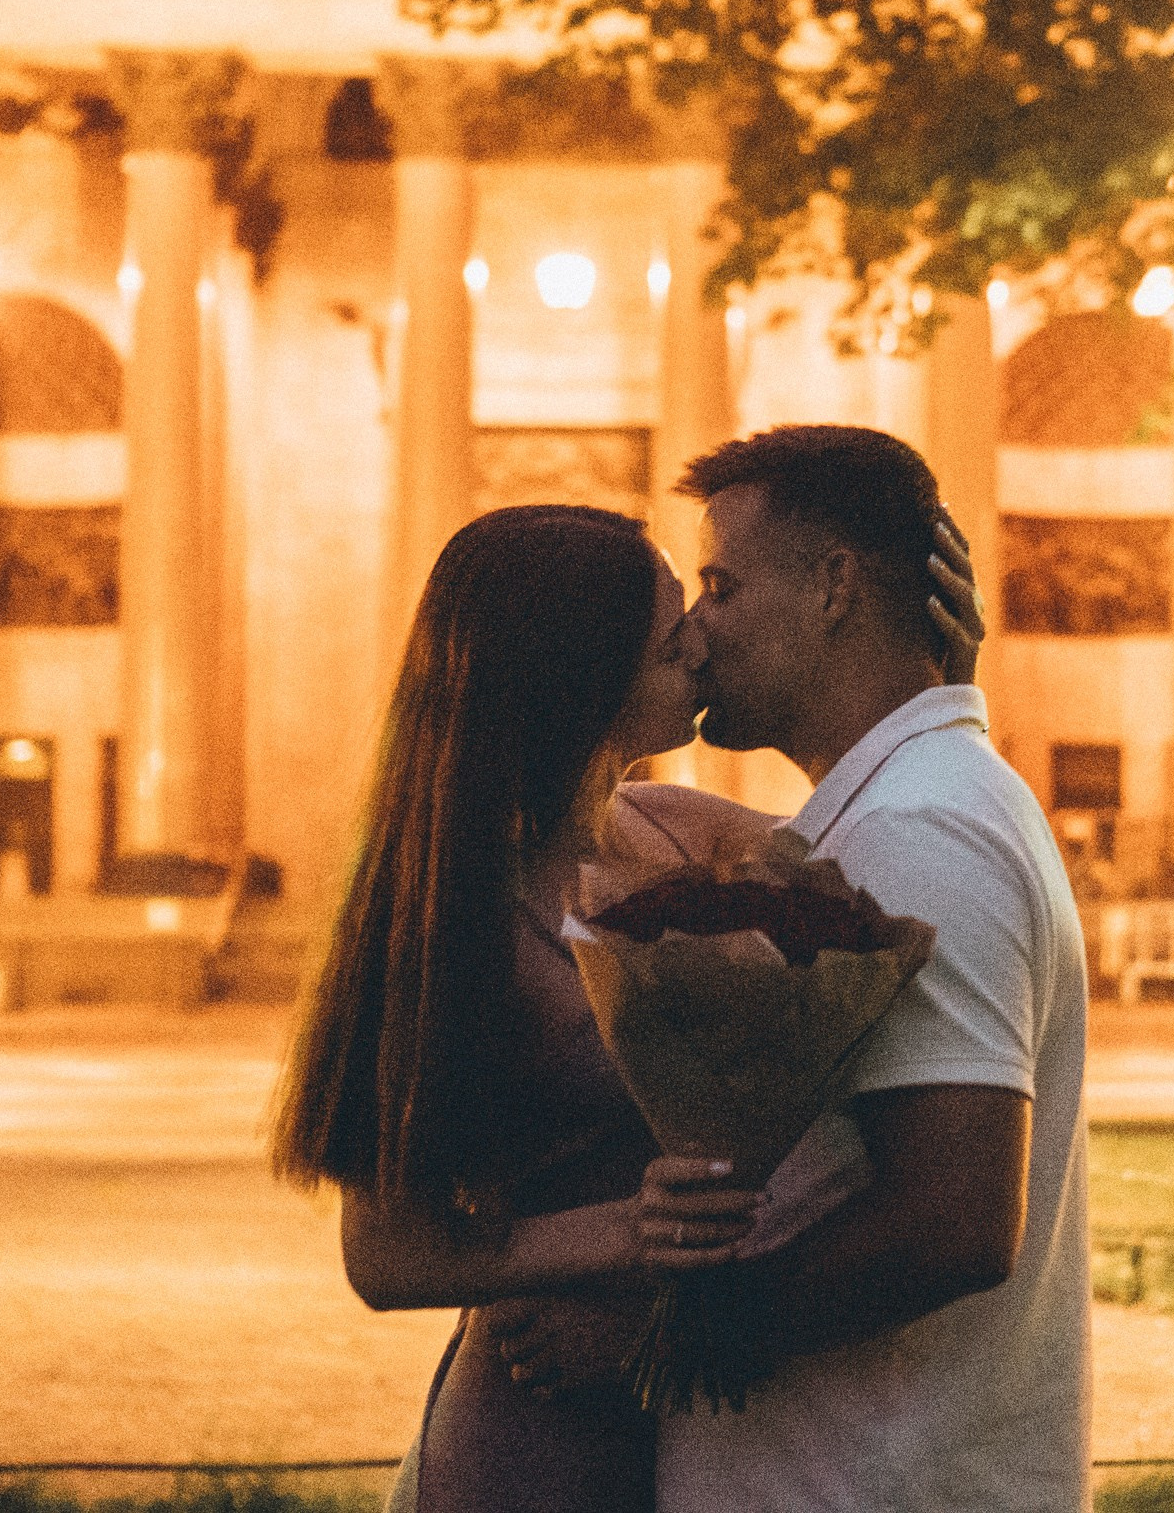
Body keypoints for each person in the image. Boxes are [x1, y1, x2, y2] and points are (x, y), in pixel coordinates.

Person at [270, 500, 984, 1512]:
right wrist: (625, 1233)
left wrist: (925, 690)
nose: (699, 640)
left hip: (696, 1415)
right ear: (578, 682)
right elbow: (385, 1256)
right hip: (538, 1432)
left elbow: (873, 832)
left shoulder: (675, 829)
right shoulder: (459, 919)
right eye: (666, 640)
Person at [643, 425, 1093, 1511]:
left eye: (722, 585)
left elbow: (950, 1222)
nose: (696, 629)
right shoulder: (910, 800)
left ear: (834, 586)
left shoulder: (923, 824)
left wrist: (663, 1337)